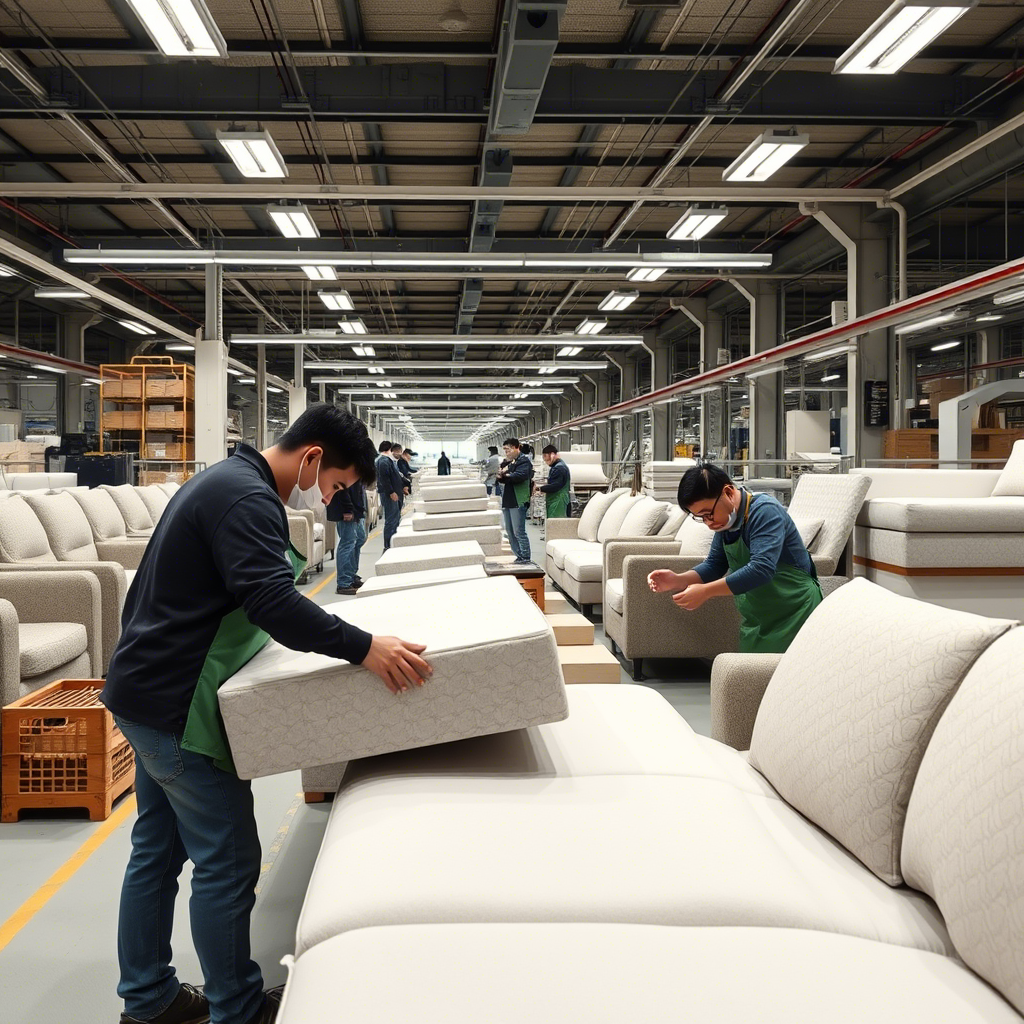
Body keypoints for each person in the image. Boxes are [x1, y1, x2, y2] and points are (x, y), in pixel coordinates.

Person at [101, 405, 432, 1024]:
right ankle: (237, 1009)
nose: (332, 498)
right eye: (335, 485)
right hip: (178, 706)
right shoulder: (246, 499)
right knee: (226, 860)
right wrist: (366, 648)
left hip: (145, 695)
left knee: (157, 851)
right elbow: (274, 602)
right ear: (311, 458)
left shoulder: (224, 480)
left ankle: (148, 1001)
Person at [647, 464, 821, 653]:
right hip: (758, 619)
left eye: (708, 514)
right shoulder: (727, 522)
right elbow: (715, 565)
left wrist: (705, 591)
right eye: (701, 518)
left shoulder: (765, 511)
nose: (708, 522)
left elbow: (761, 569)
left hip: (795, 611)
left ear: (728, 492)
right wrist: (678, 580)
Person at [328, 474, 367, 596]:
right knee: (347, 543)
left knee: (360, 538)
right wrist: (348, 509)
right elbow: (341, 487)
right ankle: (344, 583)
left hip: (356, 509)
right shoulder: (343, 464)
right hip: (347, 509)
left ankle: (351, 575)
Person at [497, 437, 533, 564]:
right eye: (505, 451)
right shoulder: (512, 462)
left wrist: (506, 475)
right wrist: (503, 473)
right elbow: (502, 475)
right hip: (509, 500)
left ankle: (525, 557)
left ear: (516, 447)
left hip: (518, 500)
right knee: (510, 531)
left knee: (519, 531)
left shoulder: (524, 462)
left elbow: (519, 476)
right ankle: (519, 556)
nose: (506, 453)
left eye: (508, 450)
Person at [376, 439, 404, 550]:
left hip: (392, 494)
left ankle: (392, 542)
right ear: (389, 449)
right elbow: (384, 479)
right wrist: (391, 492)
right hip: (389, 495)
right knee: (391, 520)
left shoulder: (387, 461)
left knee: (395, 519)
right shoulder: (383, 461)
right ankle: (388, 545)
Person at [539, 444, 571, 518]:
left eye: (546, 457)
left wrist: (541, 489)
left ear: (552, 454)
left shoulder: (559, 468)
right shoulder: (559, 466)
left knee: (556, 526)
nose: (545, 461)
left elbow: (555, 485)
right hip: (557, 500)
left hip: (558, 501)